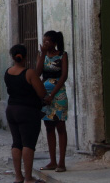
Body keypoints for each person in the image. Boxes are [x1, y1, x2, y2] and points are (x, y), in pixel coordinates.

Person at [5, 44, 46, 183]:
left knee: (16, 143)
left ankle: (18, 177)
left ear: (12, 57)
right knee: (28, 144)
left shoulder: (7, 72)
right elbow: (42, 93)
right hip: (28, 111)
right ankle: (28, 178)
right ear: (25, 57)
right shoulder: (30, 73)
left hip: (11, 110)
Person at [36, 30, 69, 173]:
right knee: (48, 127)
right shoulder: (41, 55)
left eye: (48, 41)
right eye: (44, 41)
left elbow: (64, 76)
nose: (45, 43)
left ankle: (62, 162)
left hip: (58, 94)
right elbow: (37, 73)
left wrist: (53, 94)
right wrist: (43, 54)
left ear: (54, 43)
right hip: (44, 94)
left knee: (60, 126)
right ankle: (52, 161)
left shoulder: (62, 55)